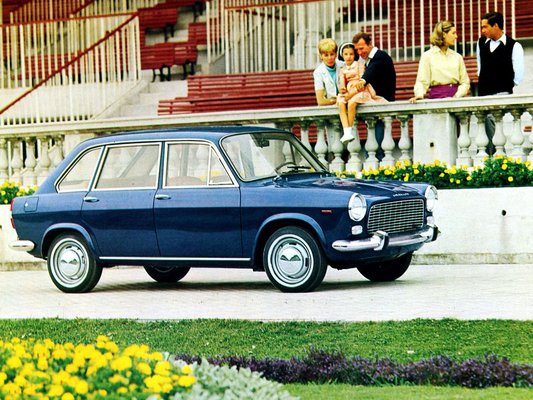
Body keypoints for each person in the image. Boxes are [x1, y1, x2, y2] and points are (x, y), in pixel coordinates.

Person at [477, 11, 524, 153]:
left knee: (499, 131)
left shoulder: (514, 46)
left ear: (496, 26)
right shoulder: (481, 43)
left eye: (485, 27)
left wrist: (502, 86)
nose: (482, 30)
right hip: (484, 96)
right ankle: (493, 158)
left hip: (503, 95)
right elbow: (480, 68)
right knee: (486, 133)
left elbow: (518, 76)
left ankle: (499, 158)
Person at [352, 32, 396, 159]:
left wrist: (362, 81)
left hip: (382, 106)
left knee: (376, 149)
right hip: (376, 106)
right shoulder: (370, 59)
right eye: (357, 50)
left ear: (370, 44)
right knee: (375, 146)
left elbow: (372, 70)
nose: (359, 52)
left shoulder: (380, 56)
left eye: (362, 48)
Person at [409, 21, 470, 103]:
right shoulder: (427, 56)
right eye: (453, 33)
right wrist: (419, 95)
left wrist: (456, 96)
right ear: (444, 34)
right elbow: (422, 81)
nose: (456, 36)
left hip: (456, 99)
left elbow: (465, 82)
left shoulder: (457, 57)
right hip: (436, 100)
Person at [337, 42, 387, 143]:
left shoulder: (359, 66)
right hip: (348, 91)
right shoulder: (342, 70)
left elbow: (362, 82)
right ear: (342, 55)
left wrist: (351, 94)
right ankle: (346, 131)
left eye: (351, 54)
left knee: (351, 103)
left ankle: (350, 129)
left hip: (359, 90)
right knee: (341, 103)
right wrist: (342, 89)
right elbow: (342, 82)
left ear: (355, 55)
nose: (348, 57)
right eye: (346, 54)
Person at [313, 38, 343, 106]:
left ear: (336, 54)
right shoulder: (318, 72)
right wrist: (338, 100)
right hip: (329, 107)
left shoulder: (343, 65)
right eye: (326, 55)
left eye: (332, 54)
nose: (329, 58)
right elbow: (320, 101)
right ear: (321, 56)